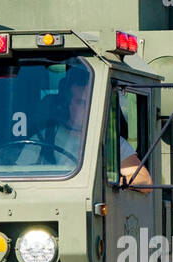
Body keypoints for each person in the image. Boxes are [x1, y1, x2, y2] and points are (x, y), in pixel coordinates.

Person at [23, 73, 152, 189]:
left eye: (91, 102)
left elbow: (144, 179)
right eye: (81, 103)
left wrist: (110, 183)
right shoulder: (44, 137)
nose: (88, 108)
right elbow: (22, 174)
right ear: (66, 105)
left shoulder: (110, 142)